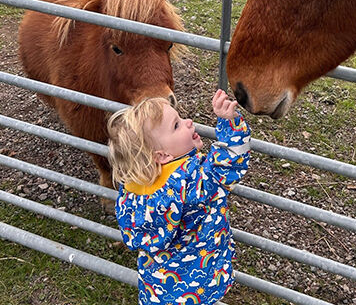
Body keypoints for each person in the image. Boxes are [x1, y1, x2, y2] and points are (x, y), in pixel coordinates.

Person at [107, 89, 251, 305]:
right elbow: (231, 159)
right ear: (162, 155)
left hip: (156, 289)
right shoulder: (194, 182)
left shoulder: (132, 190)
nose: (189, 122)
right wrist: (228, 122)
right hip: (198, 287)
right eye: (176, 125)